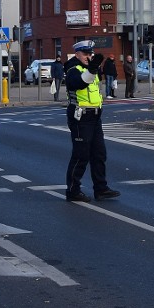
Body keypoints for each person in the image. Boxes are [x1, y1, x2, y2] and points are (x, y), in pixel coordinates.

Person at [63, 40, 120, 203]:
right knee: (81, 155)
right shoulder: (73, 68)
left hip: (95, 117)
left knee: (99, 154)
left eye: (90, 54)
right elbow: (79, 83)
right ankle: (73, 190)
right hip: (80, 117)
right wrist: (92, 68)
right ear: (77, 54)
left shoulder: (90, 68)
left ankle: (101, 189)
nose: (89, 57)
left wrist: (93, 68)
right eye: (85, 54)